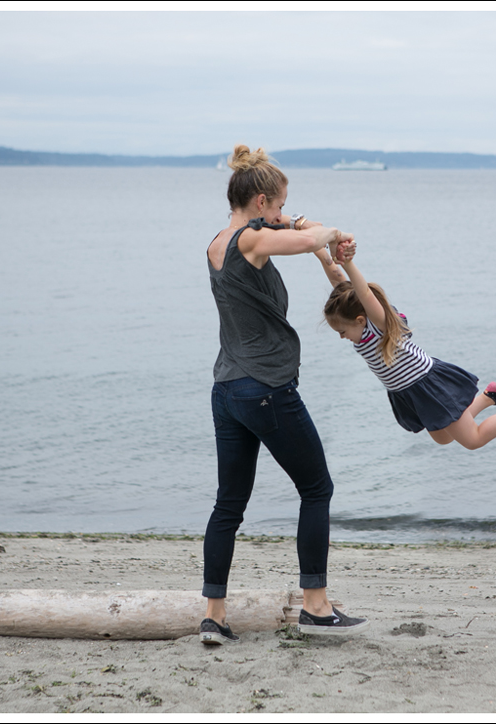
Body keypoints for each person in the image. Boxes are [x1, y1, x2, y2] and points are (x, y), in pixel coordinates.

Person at [200, 144, 368, 644]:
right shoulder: (253, 240)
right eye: (277, 205)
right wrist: (332, 234)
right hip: (266, 387)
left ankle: (214, 615)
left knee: (229, 504)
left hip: (227, 389)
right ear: (259, 202)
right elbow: (305, 237)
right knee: (317, 489)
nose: (281, 214)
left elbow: (292, 233)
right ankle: (315, 606)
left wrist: (297, 226)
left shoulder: (218, 242)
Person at [323, 254, 496, 450]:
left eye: (342, 331)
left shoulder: (379, 326)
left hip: (426, 384)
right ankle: (489, 397)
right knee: (443, 437)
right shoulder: (358, 327)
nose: (342, 337)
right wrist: (320, 252)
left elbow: (363, 293)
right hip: (408, 391)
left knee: (472, 440)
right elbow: (341, 285)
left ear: (360, 320)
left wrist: (348, 263)